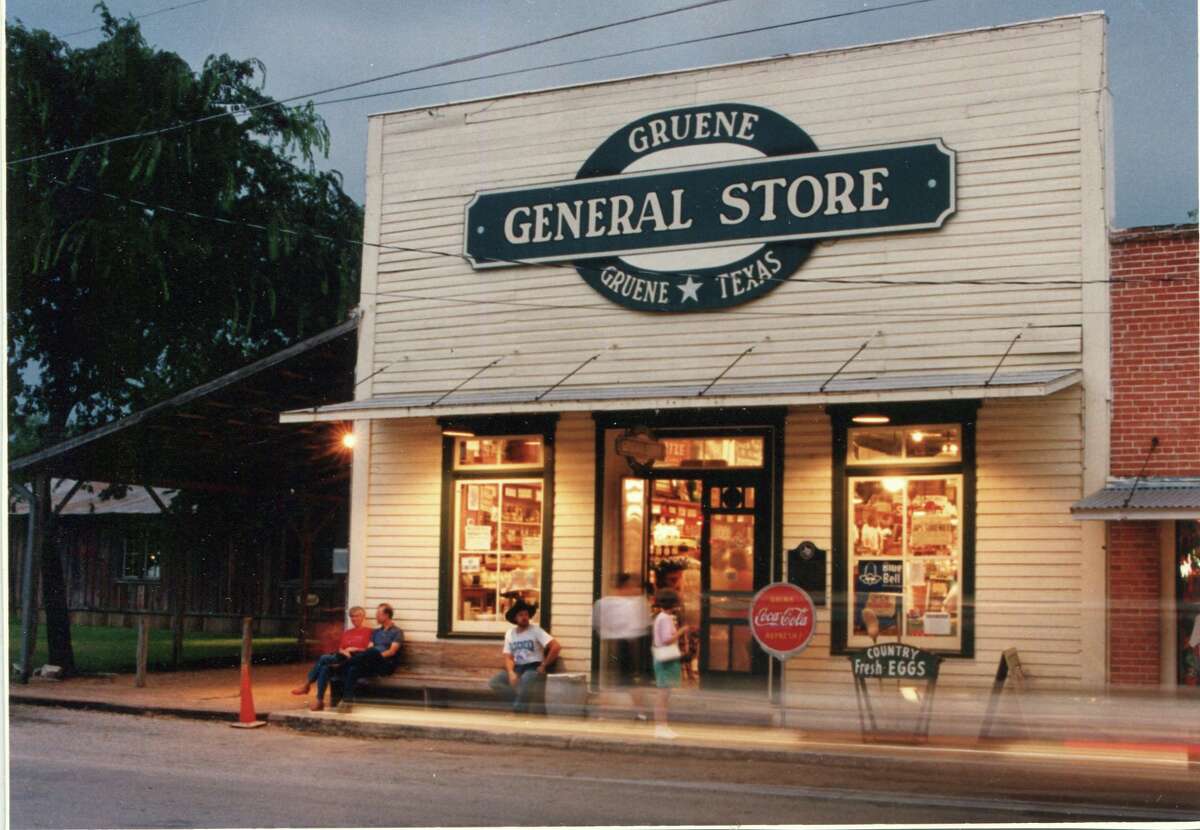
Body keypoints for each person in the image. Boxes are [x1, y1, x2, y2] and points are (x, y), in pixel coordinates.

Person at [592, 573, 652, 718]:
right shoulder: (634, 603)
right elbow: (641, 626)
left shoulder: (603, 603)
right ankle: (639, 712)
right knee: (630, 680)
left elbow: (596, 624)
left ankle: (603, 713)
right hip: (627, 644)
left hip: (609, 643)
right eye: (632, 585)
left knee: (609, 680)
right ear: (625, 586)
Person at [291, 605, 372, 711]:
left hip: (356, 659)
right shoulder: (348, 632)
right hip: (343, 658)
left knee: (324, 658)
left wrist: (354, 649)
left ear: (363, 617)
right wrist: (345, 651)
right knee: (324, 668)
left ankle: (307, 685)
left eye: (356, 616)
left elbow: (370, 650)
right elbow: (341, 648)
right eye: (352, 616)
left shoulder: (369, 632)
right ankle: (319, 701)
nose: (354, 619)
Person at [489, 597, 560, 714]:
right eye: (521, 615)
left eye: (526, 614)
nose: (524, 617)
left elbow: (556, 646)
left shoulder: (536, 630)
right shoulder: (510, 633)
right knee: (495, 682)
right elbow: (508, 656)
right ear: (515, 618)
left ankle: (519, 711)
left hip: (533, 667)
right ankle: (518, 705)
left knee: (526, 679)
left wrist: (544, 665)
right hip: (517, 667)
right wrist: (511, 672)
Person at [334, 603, 404, 709]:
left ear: (386, 615)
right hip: (372, 663)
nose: (376, 616)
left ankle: (340, 667)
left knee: (373, 652)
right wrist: (362, 653)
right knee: (353, 669)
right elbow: (369, 648)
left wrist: (375, 656)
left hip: (386, 664)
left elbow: (391, 652)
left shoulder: (397, 632)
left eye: (378, 614)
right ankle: (347, 702)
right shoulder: (376, 632)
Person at [651, 588, 689, 739]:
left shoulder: (661, 617)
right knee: (663, 694)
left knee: (664, 693)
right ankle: (661, 727)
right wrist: (681, 631)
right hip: (666, 659)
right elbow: (667, 640)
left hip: (662, 657)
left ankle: (662, 726)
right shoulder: (665, 618)